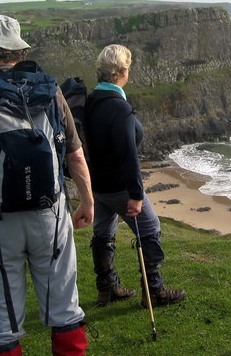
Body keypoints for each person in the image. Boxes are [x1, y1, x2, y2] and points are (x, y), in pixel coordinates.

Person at [0, 15, 94, 356]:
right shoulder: (49, 88)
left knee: (2, 320)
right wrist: (87, 202)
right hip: (51, 212)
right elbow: (76, 155)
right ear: (18, 50)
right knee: (64, 308)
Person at [84, 44, 185, 308]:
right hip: (118, 185)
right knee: (150, 229)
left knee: (103, 233)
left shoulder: (91, 101)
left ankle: (107, 288)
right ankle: (154, 291)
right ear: (123, 71)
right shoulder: (119, 108)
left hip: (98, 184)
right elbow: (129, 156)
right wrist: (136, 195)